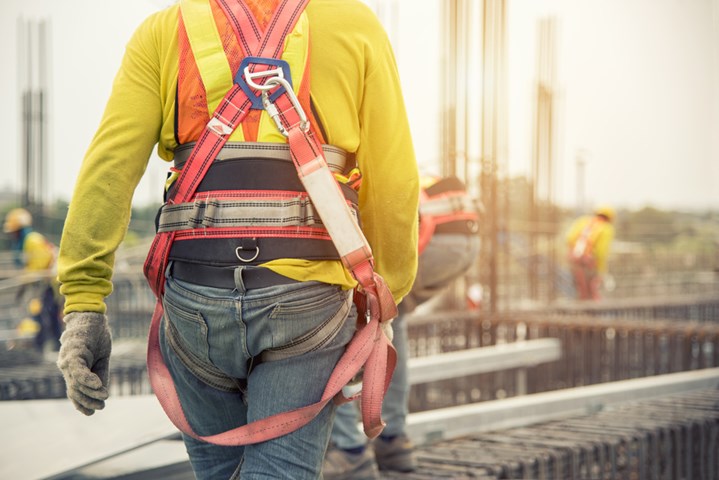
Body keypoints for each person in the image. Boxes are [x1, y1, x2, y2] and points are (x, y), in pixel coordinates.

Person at [55, 0, 418, 479]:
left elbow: (110, 168)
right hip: (306, 298)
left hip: (194, 298)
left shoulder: (165, 30)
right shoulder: (354, 23)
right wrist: (385, 298)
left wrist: (84, 305)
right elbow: (394, 180)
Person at [323, 175, 482, 479]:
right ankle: (393, 442)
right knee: (394, 319)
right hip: (462, 238)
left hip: (430, 236)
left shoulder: (327, 165)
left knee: (330, 328)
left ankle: (349, 450)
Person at [3, 207, 62, 352]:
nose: (13, 236)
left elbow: (38, 267)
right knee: (49, 315)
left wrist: (23, 284)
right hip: (48, 283)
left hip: (51, 283)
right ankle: (54, 347)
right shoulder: (29, 240)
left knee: (44, 314)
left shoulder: (32, 240)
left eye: (14, 232)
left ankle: (42, 348)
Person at [565, 205, 616, 301]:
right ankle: (594, 312)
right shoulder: (607, 228)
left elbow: (569, 238)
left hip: (576, 259)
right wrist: (601, 269)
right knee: (593, 288)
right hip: (591, 262)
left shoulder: (583, 221)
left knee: (582, 289)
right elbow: (601, 251)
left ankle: (584, 310)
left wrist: (572, 254)